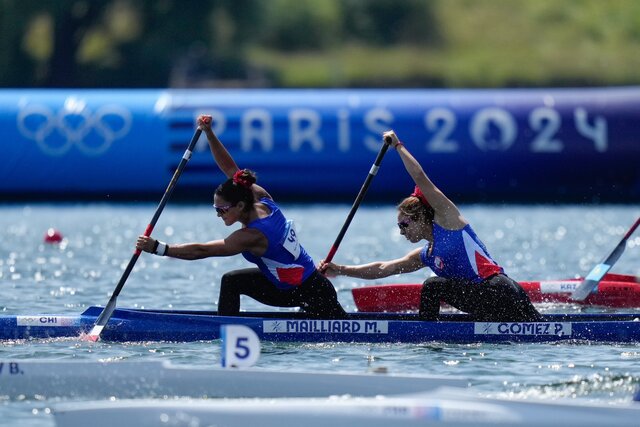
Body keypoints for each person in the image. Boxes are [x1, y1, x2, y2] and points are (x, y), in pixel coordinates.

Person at [136, 115, 346, 319]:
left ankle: (225, 330)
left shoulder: (252, 235)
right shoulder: (260, 197)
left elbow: (202, 250)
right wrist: (208, 132)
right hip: (301, 286)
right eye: (215, 209)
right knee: (231, 280)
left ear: (240, 205)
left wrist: (158, 248)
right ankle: (227, 325)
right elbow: (230, 169)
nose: (218, 215)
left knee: (232, 282)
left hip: (310, 293)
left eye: (222, 210)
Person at [320, 130, 542, 322]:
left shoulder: (449, 221)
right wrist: (339, 269)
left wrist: (397, 145)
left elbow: (419, 176)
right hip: (486, 301)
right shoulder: (425, 254)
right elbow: (384, 268)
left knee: (433, 286)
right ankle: (433, 330)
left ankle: (425, 334)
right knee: (436, 286)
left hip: (500, 291)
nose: (401, 232)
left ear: (421, 218)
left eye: (404, 225)